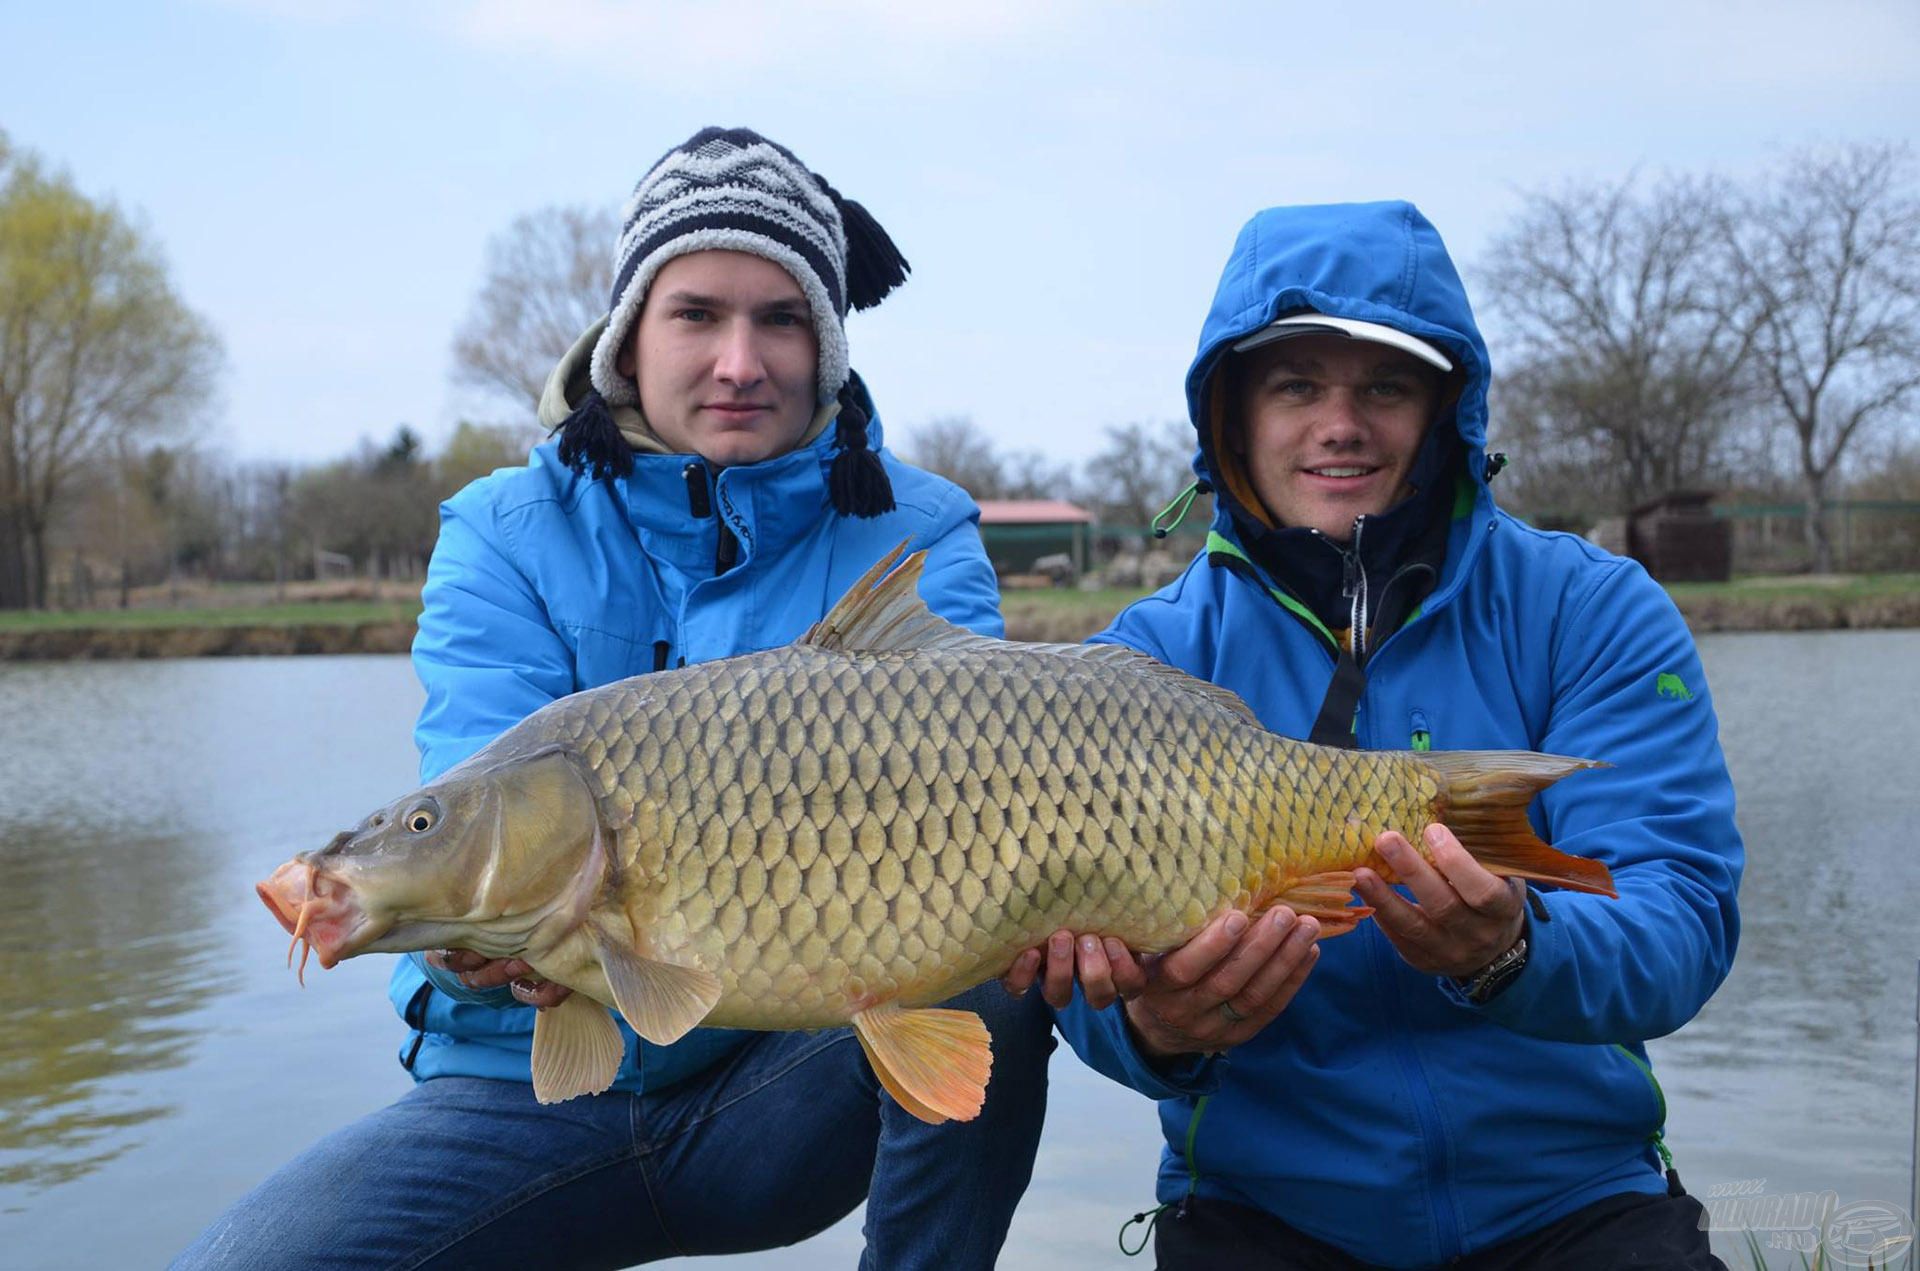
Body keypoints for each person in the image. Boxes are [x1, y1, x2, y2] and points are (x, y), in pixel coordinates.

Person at [176, 126, 1053, 1271]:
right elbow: (475, 798)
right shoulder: (499, 529)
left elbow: (995, 807)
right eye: (697, 313)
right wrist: (454, 938)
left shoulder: (917, 527)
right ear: (628, 335)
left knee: (1000, 962)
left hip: (780, 1083)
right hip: (518, 1090)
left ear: (829, 345)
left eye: (781, 317)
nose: (741, 360)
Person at [1018, 201, 1743, 1269]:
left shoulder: (1593, 609)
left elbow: (1680, 922)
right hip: (1267, 1209)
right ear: (1231, 411)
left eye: (1386, 386)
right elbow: (1068, 959)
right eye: (1297, 383)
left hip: (1575, 1198)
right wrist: (1156, 1028)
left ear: (1447, 409)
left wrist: (1514, 951)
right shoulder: (1138, 662)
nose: (1340, 423)